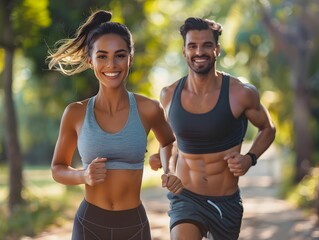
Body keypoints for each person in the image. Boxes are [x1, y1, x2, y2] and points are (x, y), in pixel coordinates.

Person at [47, 10, 181, 240]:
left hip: (134, 226)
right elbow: (57, 168)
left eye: (120, 55)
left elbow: (169, 142)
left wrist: (169, 170)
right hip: (89, 224)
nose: (111, 64)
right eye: (102, 56)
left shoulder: (148, 109)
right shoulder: (76, 113)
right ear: (91, 61)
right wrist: (84, 176)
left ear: (130, 58)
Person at [149, 17, 276, 240]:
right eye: (192, 46)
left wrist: (249, 158)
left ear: (217, 50)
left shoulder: (241, 93)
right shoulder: (168, 95)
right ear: (184, 51)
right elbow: (169, 143)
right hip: (186, 199)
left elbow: (268, 128)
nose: (199, 51)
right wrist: (167, 170)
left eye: (207, 45)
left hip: (225, 202)